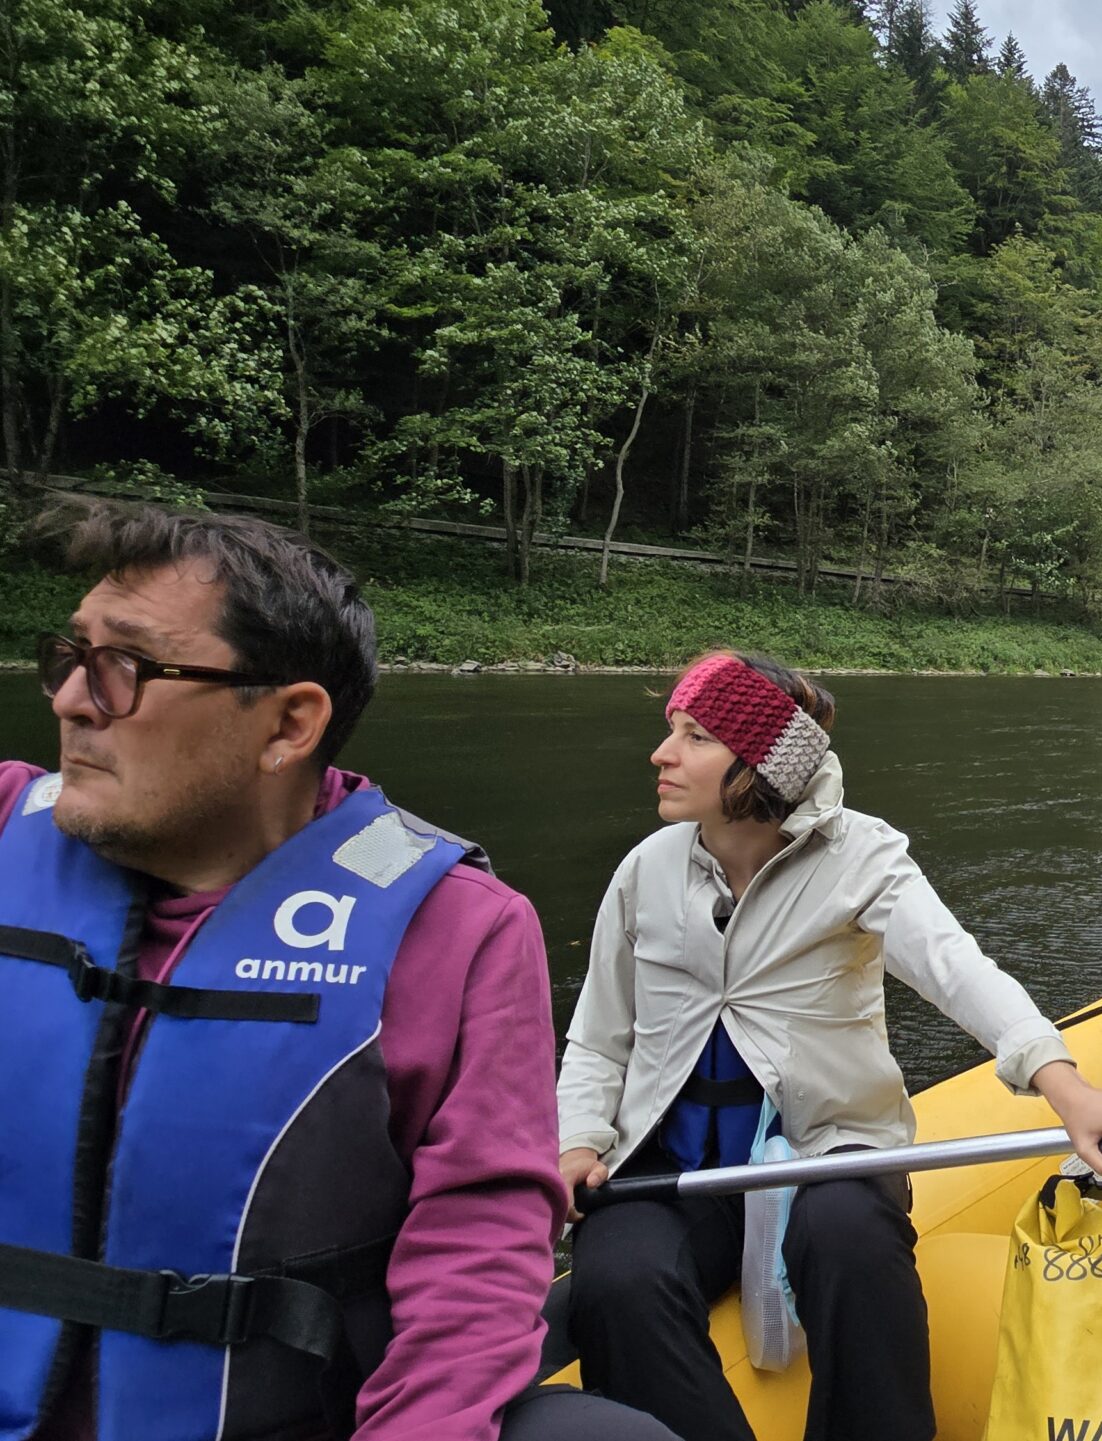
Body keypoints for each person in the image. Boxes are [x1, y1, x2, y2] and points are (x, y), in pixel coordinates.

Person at [0, 499, 669, 1441]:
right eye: (69, 656)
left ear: (288, 724)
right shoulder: (3, 828)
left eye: (125, 670)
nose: (70, 698)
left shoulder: (455, 931)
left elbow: (474, 1260)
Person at [554, 649, 1102, 1441]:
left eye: (694, 735)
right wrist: (578, 1142)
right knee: (615, 1280)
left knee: (850, 1241)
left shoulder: (863, 857)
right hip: (671, 1165)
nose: (663, 754)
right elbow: (599, 1039)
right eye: (672, 730)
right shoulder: (643, 872)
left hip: (828, 1148)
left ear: (757, 764)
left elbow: (957, 969)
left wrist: (1066, 1086)